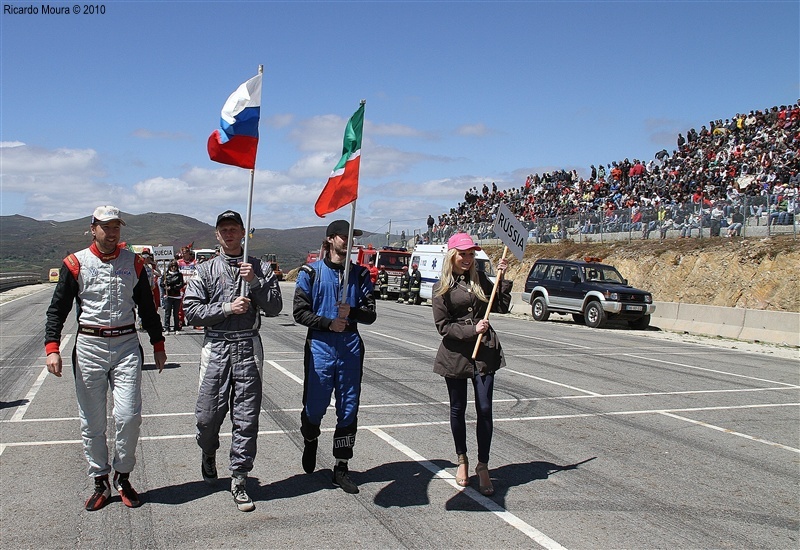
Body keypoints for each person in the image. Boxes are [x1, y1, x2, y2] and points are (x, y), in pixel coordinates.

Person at [45, 205, 167, 511]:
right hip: (89, 345)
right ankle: (99, 480)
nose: (111, 233)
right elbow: (57, 309)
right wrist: (52, 348)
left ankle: (123, 476)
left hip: (126, 344)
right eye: (106, 227)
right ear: (93, 228)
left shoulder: (134, 263)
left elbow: (147, 308)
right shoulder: (75, 263)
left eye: (116, 228)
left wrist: (158, 343)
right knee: (93, 421)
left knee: (128, 416)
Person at [183, 210, 283, 512]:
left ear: (243, 233)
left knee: (246, 417)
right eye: (223, 229)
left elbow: (276, 306)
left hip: (248, 347)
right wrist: (227, 307)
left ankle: (239, 478)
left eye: (234, 229)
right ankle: (208, 452)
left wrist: (254, 282)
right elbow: (190, 311)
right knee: (207, 416)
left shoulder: (258, 267)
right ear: (217, 235)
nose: (229, 234)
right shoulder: (206, 270)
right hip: (216, 347)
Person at [294, 219, 376, 494]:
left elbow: (371, 314)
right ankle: (310, 436)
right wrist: (329, 323)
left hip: (350, 346)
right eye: (343, 236)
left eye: (352, 236)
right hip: (320, 344)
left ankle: (341, 466)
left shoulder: (361, 274)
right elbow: (299, 312)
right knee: (315, 407)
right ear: (330, 239)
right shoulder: (310, 272)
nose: (348, 241)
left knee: (349, 407)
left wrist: (350, 312)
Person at [431, 233, 511, 496]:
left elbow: (500, 306)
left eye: (471, 254)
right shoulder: (441, 287)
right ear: (452, 255)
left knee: (485, 408)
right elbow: (443, 327)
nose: (467, 259)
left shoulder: (479, 279)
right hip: (456, 353)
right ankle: (462, 459)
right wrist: (471, 330)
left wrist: (500, 279)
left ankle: (483, 465)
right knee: (458, 409)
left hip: (484, 353)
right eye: (463, 254)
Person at [160, 260, 184, 332]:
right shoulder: (165, 275)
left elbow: (181, 284)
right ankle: (167, 328)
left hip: (176, 296)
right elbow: (161, 284)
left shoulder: (179, 275)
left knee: (176, 314)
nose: (173, 268)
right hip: (168, 296)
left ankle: (176, 328)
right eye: (172, 266)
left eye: (175, 266)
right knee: (167, 313)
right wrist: (164, 285)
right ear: (169, 267)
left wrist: (172, 287)